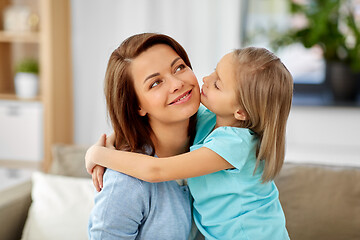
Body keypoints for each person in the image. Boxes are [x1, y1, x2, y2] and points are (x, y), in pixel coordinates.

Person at [86, 46, 293, 239]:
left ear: (240, 112)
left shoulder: (234, 143)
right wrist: (110, 140)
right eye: (155, 82)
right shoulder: (211, 119)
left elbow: (155, 171)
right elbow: (139, 120)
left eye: (218, 84)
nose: (205, 78)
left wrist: (96, 155)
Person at [87, 32, 203, 239]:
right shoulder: (125, 183)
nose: (177, 84)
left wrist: (98, 152)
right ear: (136, 105)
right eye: (155, 83)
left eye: (179, 67)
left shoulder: (216, 136)